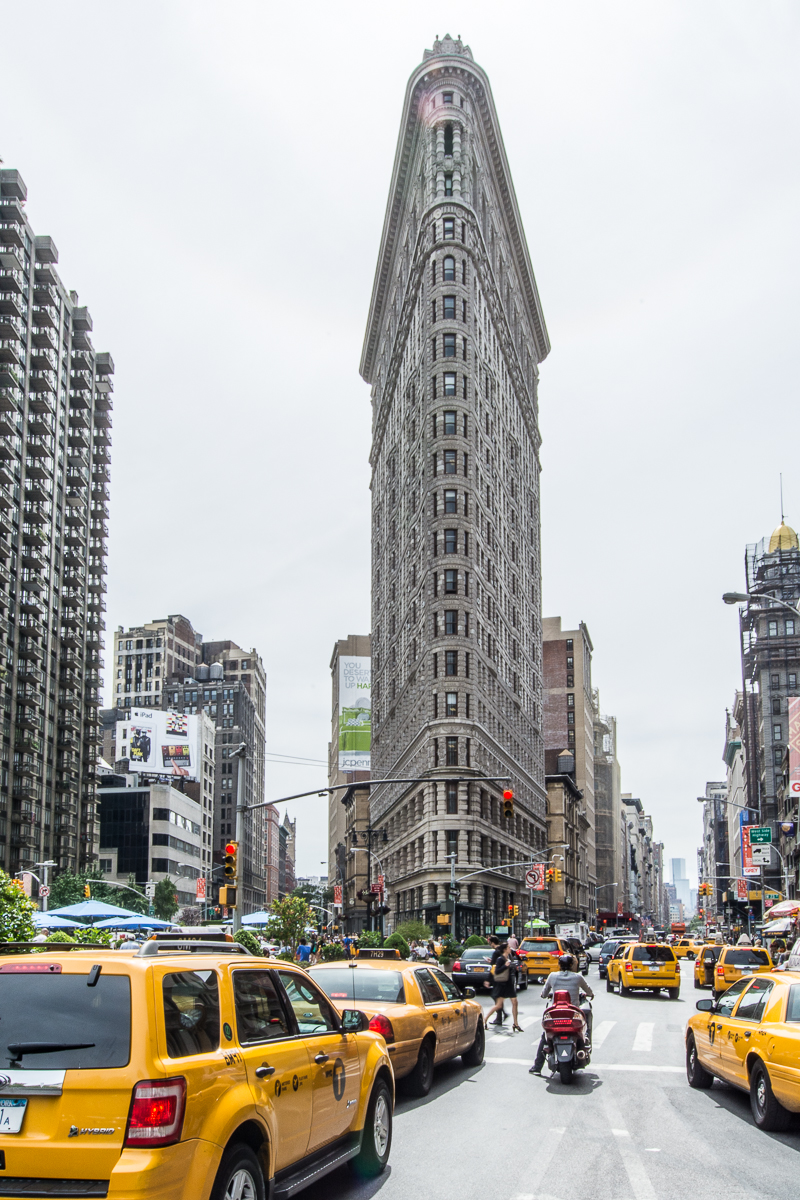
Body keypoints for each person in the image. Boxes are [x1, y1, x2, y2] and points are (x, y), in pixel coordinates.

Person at [530, 954, 594, 1076]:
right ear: (572, 965)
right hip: (573, 1015)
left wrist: (547, 995)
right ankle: (584, 1046)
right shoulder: (577, 977)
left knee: (545, 1037)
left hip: (555, 1016)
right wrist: (588, 994)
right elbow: (589, 991)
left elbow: (544, 993)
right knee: (584, 1028)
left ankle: (537, 1066)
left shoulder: (552, 976)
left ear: (559, 965)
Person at [484, 940, 521, 1032]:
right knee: (498, 1005)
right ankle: (484, 1020)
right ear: (505, 950)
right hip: (501, 984)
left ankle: (515, 1023)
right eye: (508, 948)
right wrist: (505, 966)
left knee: (515, 1002)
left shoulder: (509, 957)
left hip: (509, 983)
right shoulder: (500, 959)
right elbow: (497, 971)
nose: (510, 949)